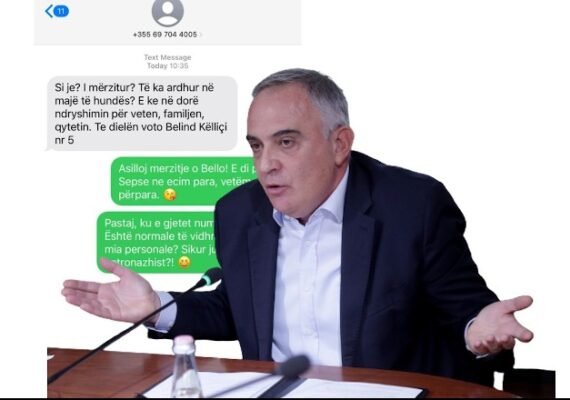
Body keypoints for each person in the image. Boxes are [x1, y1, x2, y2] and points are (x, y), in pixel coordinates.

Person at [62, 68, 533, 386]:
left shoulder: (412, 206)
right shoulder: (238, 211)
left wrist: (477, 330)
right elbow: (239, 309)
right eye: (256, 146)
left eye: (286, 142)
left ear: (339, 144)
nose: (266, 164)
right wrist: (158, 308)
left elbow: (467, 315)